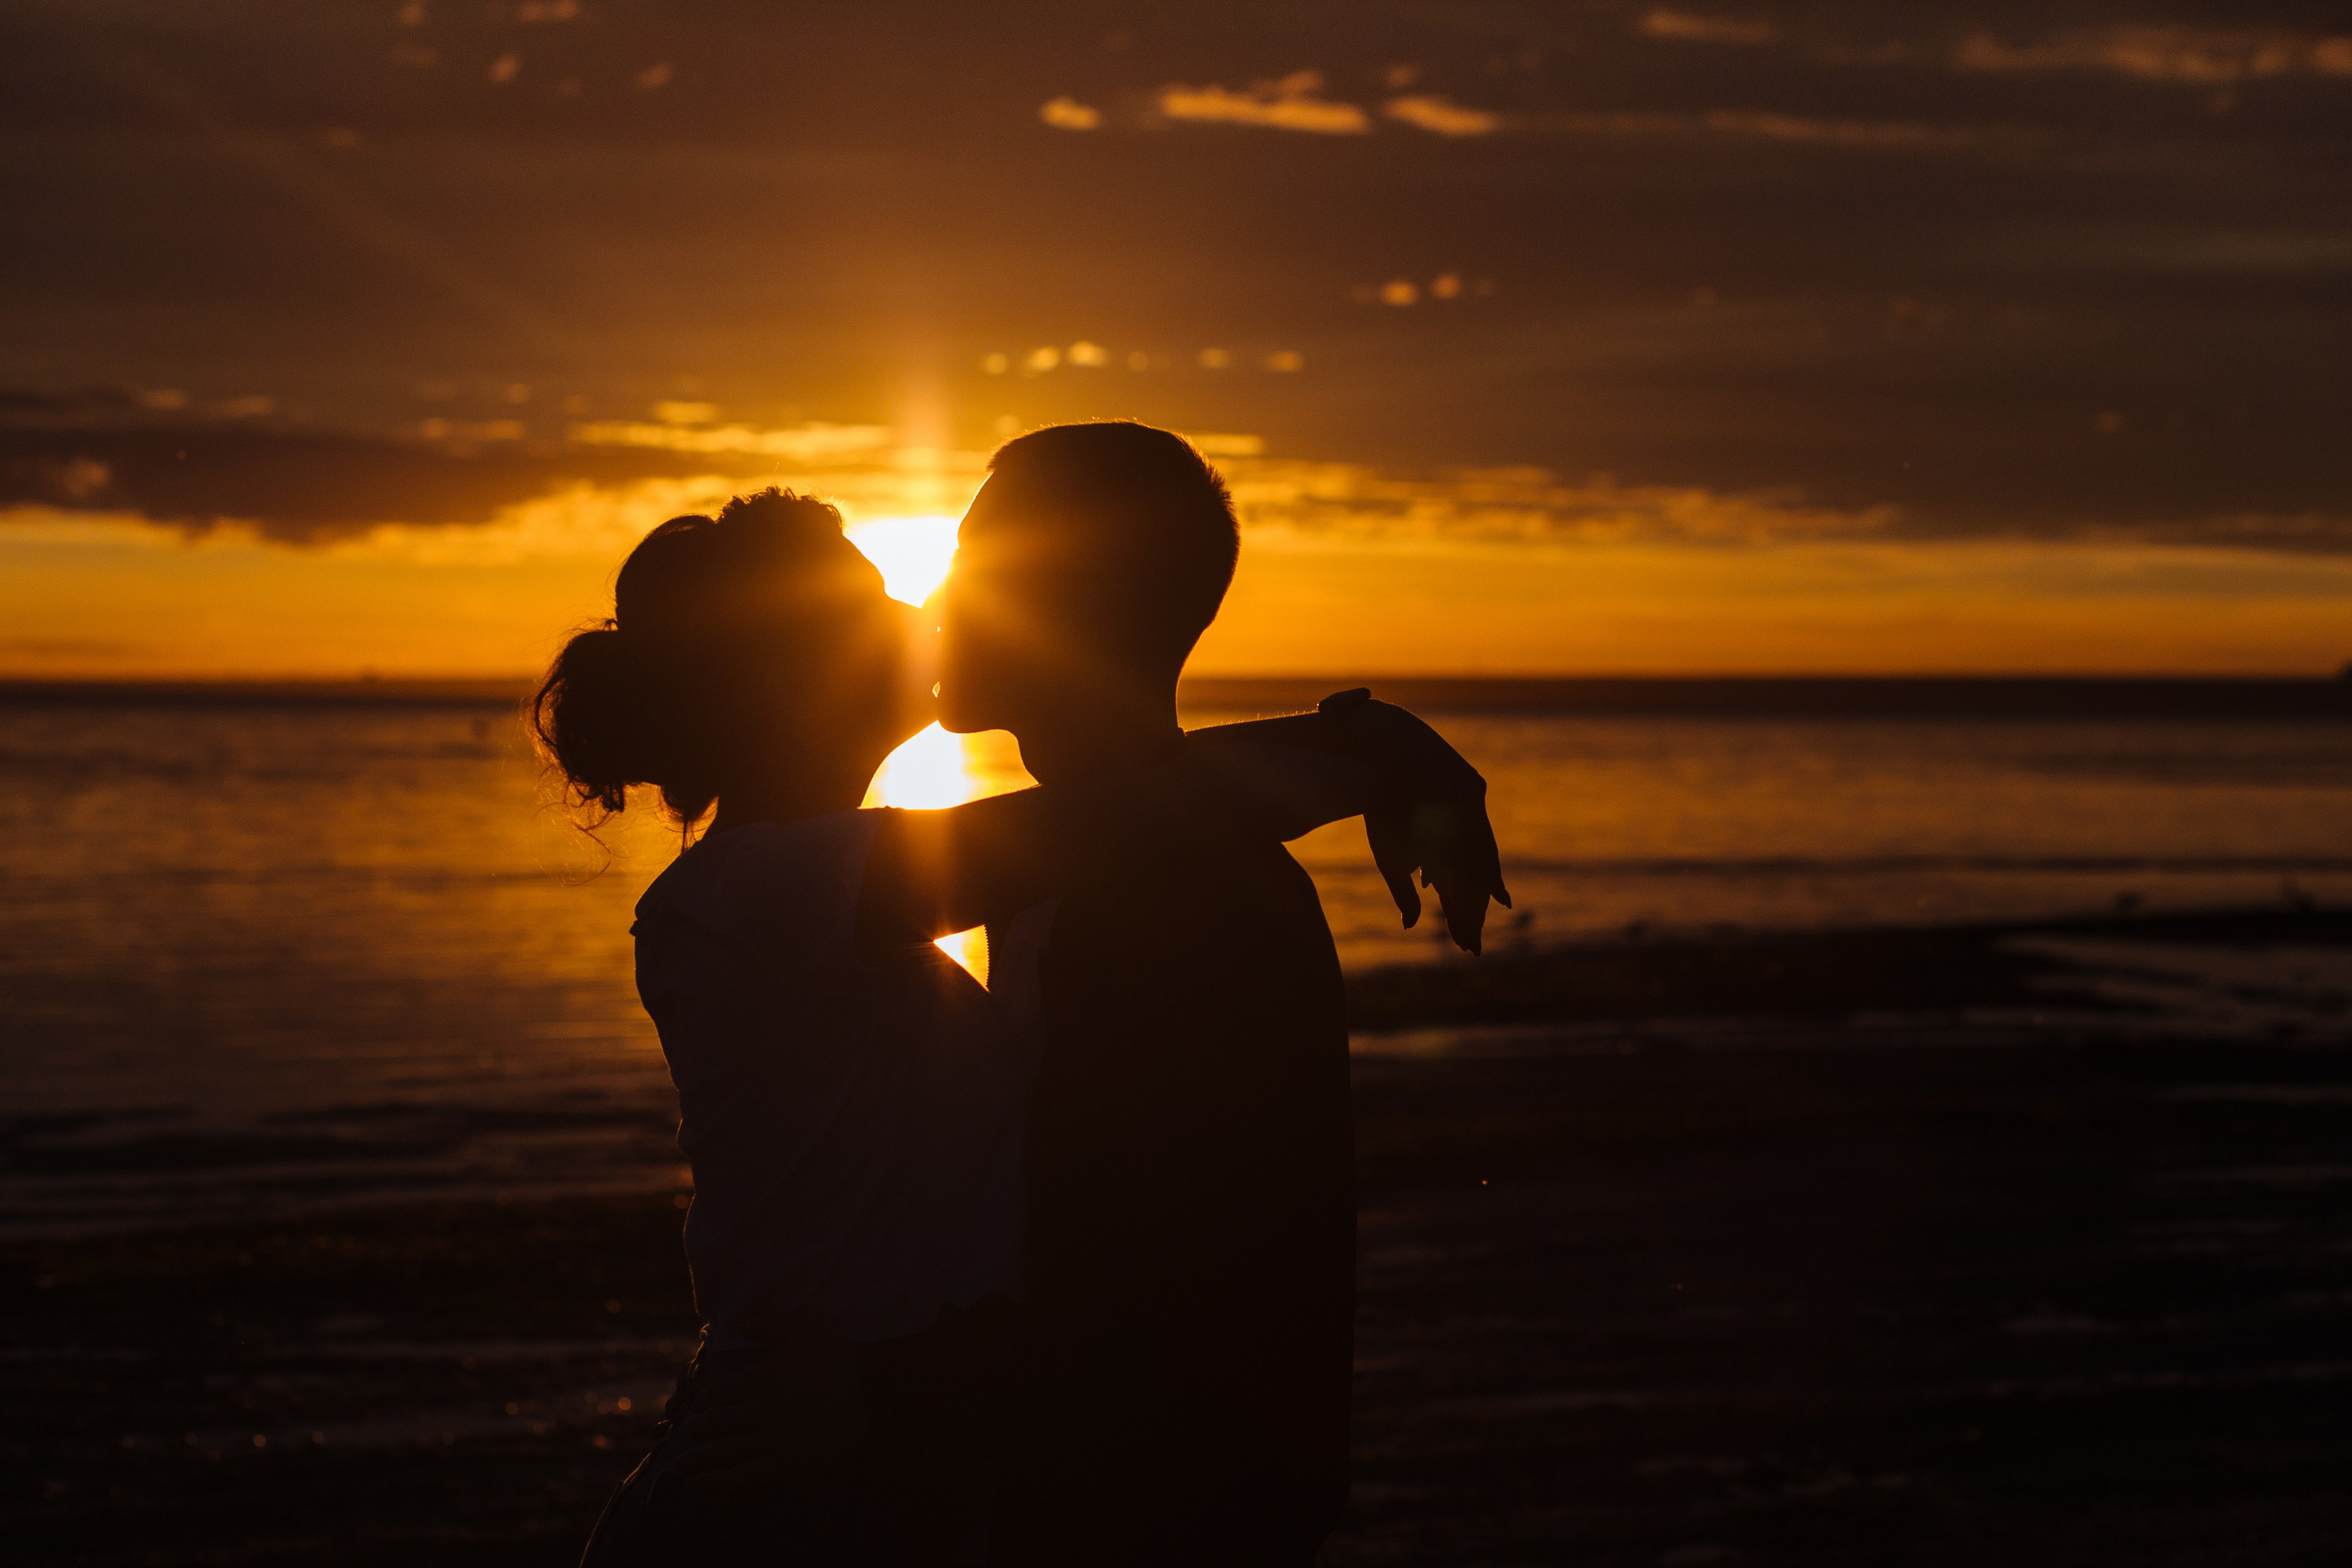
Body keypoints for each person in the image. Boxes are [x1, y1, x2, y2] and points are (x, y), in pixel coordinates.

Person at [536, 486, 1500, 1566]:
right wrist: (1375, 743)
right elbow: (1127, 817)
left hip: (876, 1457)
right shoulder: (751, 892)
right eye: (874, 606)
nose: (921, 615)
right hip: (786, 1490)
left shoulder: (857, 888)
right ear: (783, 677)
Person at [934, 423, 1508, 1567]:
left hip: (1146, 1497)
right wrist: (1362, 744)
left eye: (977, 562)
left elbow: (1193, 1264)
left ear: (1075, 605)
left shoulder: (1181, 883)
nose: (936, 597)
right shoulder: (1087, 850)